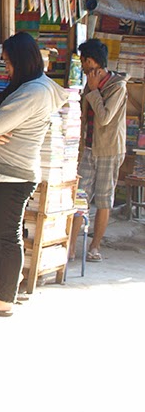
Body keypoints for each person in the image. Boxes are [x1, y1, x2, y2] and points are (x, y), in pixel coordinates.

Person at [0, 32, 68, 316]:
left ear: (22, 61)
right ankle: (8, 285)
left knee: (6, 235)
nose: (7, 68)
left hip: (13, 174)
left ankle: (5, 297)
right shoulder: (32, 87)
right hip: (4, 171)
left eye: (9, 63)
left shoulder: (34, 92)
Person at [70, 39, 127, 262]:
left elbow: (104, 118)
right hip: (89, 148)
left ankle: (95, 247)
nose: (83, 66)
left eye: (85, 61)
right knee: (80, 197)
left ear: (93, 61)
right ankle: (71, 245)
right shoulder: (89, 84)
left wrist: (94, 92)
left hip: (109, 150)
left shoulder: (117, 87)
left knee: (104, 199)